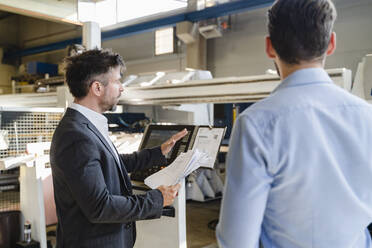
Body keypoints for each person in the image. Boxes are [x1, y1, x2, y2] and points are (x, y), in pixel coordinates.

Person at [216, 0, 372, 247]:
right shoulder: (367, 117)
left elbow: (237, 239)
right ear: (331, 43)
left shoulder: (256, 125)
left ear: (269, 47)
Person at [50, 49, 187, 248]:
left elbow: (110, 164)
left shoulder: (86, 125)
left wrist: (158, 153)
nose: (122, 88)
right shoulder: (76, 135)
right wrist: (157, 199)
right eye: (117, 81)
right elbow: (100, 207)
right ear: (97, 87)